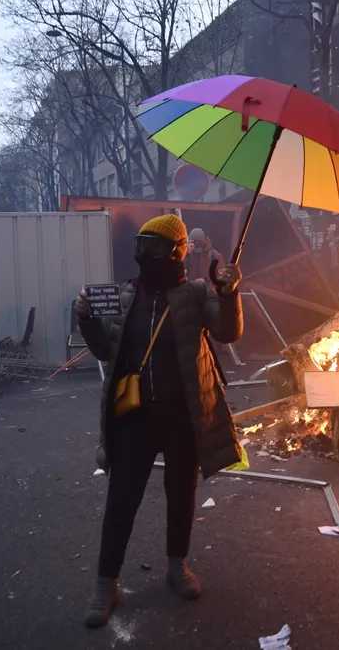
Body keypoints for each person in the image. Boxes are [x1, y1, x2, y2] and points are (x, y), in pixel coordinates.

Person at [74, 214, 244, 628]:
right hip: (135, 416)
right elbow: (102, 351)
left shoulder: (197, 295)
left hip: (183, 414)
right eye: (140, 246)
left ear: (177, 251)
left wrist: (229, 291)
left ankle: (176, 566)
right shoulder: (123, 297)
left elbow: (228, 332)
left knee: (180, 494)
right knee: (121, 499)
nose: (143, 256)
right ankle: (105, 582)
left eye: (153, 248)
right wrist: (86, 319)